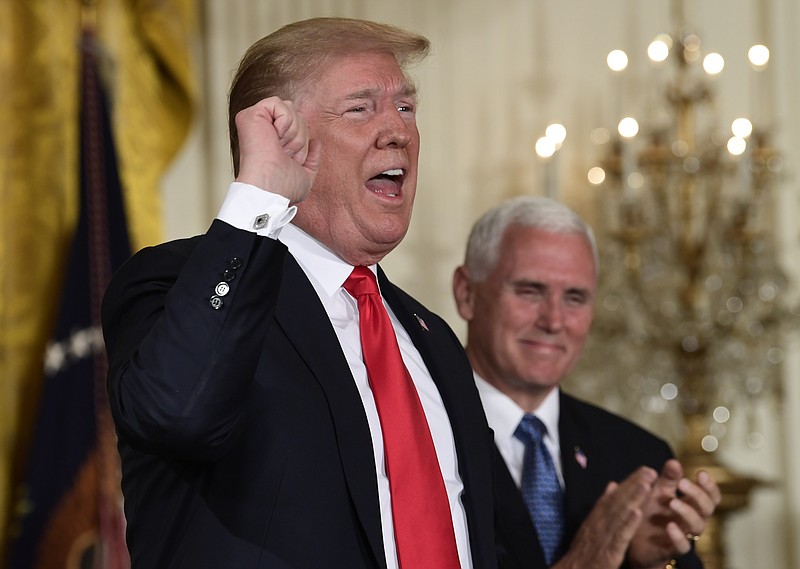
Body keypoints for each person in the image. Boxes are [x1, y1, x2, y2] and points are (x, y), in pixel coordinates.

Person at [101, 17, 498, 569]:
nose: (399, 132)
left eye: (405, 108)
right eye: (361, 108)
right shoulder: (173, 284)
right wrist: (260, 194)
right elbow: (177, 412)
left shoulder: (431, 340)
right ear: (279, 135)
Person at [452, 196, 721, 569]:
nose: (554, 321)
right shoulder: (416, 440)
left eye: (575, 297)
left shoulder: (640, 458)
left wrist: (651, 562)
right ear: (467, 294)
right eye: (530, 291)